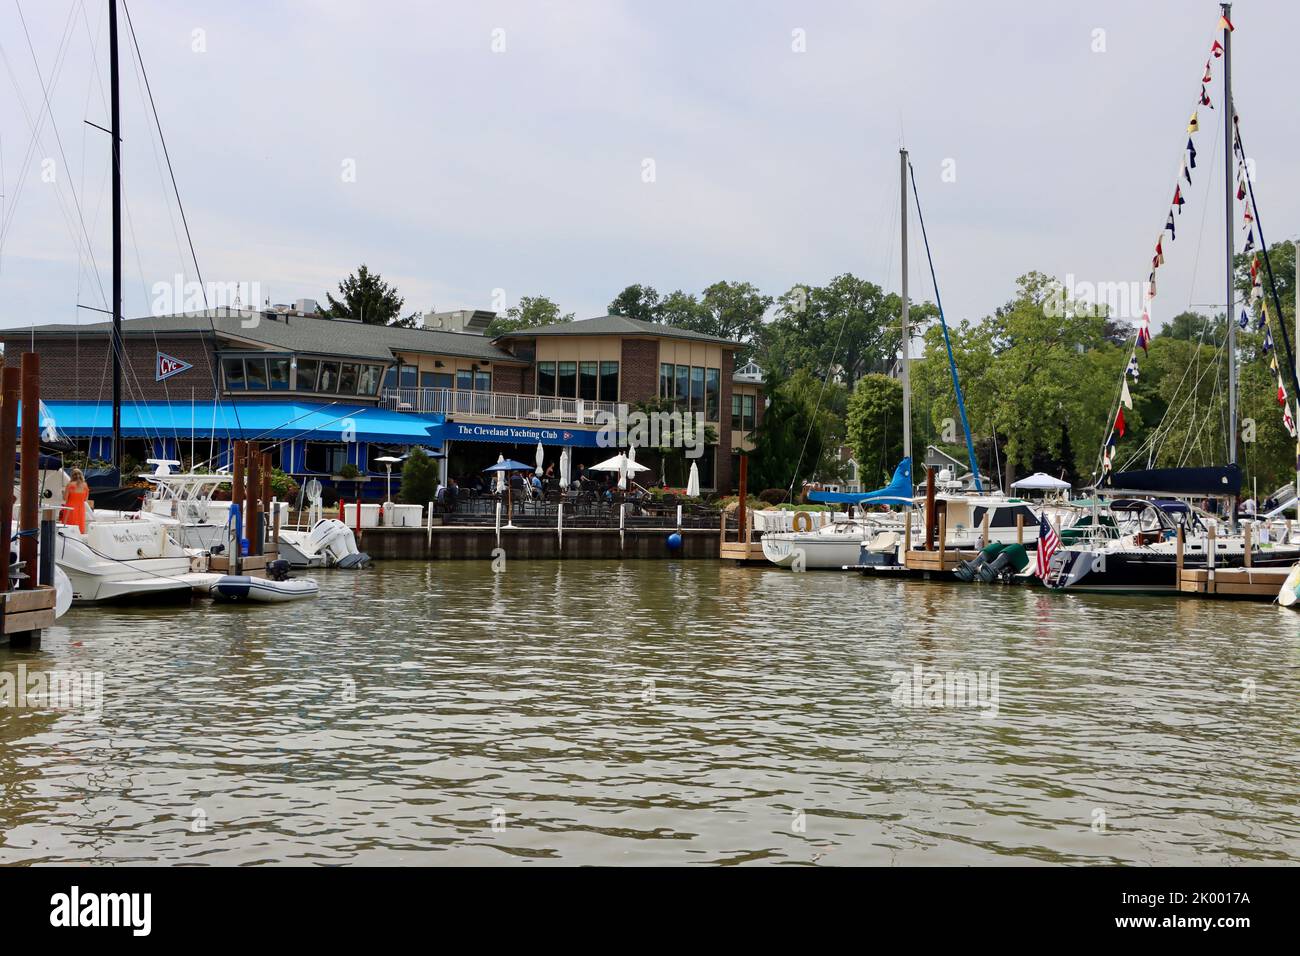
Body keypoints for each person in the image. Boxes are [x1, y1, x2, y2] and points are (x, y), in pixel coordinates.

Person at [62, 467, 91, 533]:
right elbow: (85, 499)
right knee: (79, 527)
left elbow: (65, 498)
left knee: (69, 527)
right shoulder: (85, 485)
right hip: (80, 508)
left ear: (72, 476)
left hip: (70, 508)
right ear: (81, 475)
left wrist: (63, 493)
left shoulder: (70, 485)